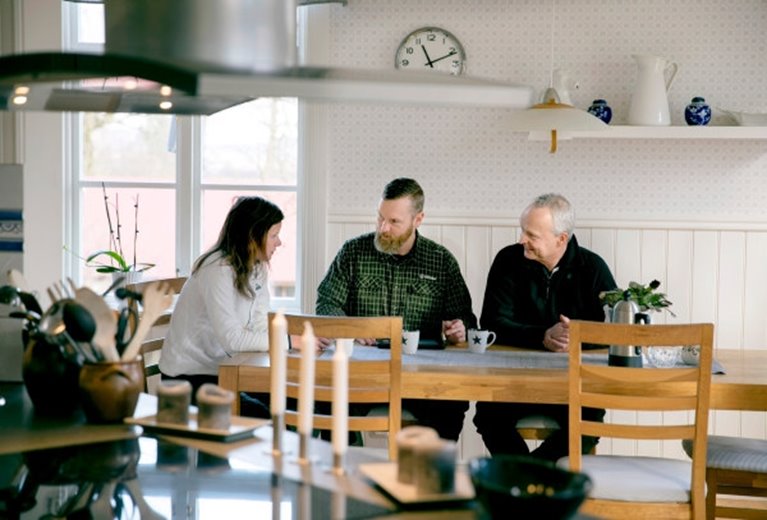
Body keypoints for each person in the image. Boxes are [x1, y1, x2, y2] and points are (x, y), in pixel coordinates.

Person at [316, 177, 477, 441]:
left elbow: (467, 319)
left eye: (394, 222)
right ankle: (343, 473)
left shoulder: (441, 261)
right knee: (328, 399)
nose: (383, 227)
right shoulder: (353, 252)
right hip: (362, 375)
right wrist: (350, 329)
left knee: (452, 402)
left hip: (423, 378)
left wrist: (460, 329)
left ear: (418, 219)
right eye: (380, 218)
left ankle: (426, 475)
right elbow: (326, 303)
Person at [473, 193, 617, 461]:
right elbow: (491, 323)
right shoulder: (508, 260)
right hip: (516, 380)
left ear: (561, 239)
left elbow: (615, 329)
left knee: (588, 422)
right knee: (488, 415)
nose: (521, 240)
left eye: (531, 235)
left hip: (573, 384)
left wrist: (579, 335)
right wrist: (542, 336)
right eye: (522, 231)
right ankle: (534, 484)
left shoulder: (592, 267)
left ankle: (526, 479)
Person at [160, 196, 284, 417]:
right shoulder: (216, 269)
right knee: (264, 415)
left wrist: (288, 339)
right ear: (252, 236)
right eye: (274, 235)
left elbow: (258, 324)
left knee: (291, 401)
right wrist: (288, 340)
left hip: (221, 371)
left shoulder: (257, 268)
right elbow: (233, 339)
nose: (279, 242)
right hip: (187, 379)